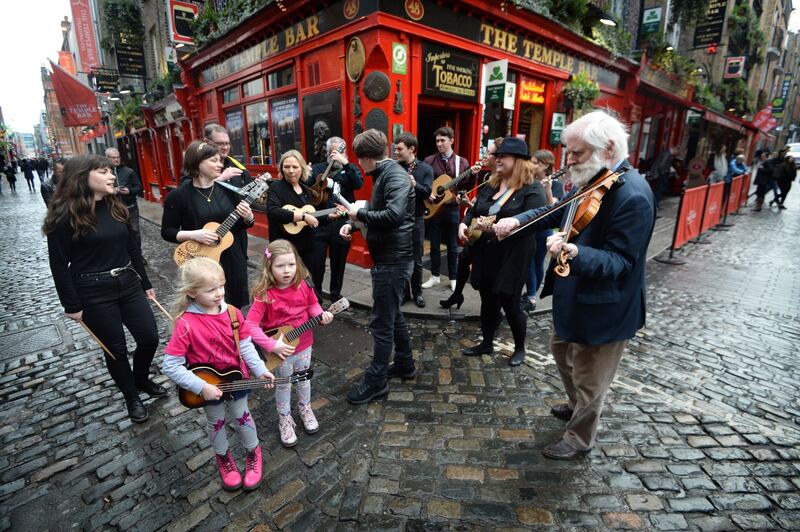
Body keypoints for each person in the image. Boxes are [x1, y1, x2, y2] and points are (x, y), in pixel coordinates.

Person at [494, 110, 656, 460]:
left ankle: (579, 437)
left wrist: (575, 251)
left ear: (608, 148)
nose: (569, 161)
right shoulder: (592, 178)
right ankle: (574, 403)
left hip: (605, 307)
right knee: (561, 349)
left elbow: (621, 262)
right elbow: (556, 213)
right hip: (575, 296)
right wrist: (516, 220)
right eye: (567, 152)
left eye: (576, 153)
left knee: (590, 377)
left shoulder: (633, 196)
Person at [43, 154, 162, 423]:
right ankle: (131, 396)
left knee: (149, 337)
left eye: (111, 171)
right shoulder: (64, 216)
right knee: (115, 350)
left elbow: (133, 248)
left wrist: (146, 283)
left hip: (128, 283)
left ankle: (141, 380)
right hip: (93, 291)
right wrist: (71, 304)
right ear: (83, 176)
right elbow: (59, 264)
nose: (112, 176)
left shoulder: (116, 206)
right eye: (104, 172)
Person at [162, 257, 274, 491]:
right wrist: (200, 387)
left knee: (242, 416)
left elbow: (245, 347)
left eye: (221, 286)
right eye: (210, 289)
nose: (219, 293)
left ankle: (254, 452)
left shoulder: (233, 314)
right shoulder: (186, 324)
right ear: (192, 293)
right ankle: (223, 457)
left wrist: (261, 370)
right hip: (207, 385)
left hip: (237, 379)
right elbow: (171, 365)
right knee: (216, 422)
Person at [339, 129, 416, 403]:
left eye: (359, 159)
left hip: (393, 261)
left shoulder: (392, 174)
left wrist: (358, 213)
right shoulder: (387, 173)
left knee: (382, 323)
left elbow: (393, 215)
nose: (359, 164)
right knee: (393, 316)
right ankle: (405, 364)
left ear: (366, 158)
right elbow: (379, 210)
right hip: (391, 258)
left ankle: (376, 381)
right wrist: (354, 224)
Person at [458, 137, 545, 367]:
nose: (497, 160)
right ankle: (487, 342)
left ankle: (519, 348)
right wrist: (464, 223)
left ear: (518, 161)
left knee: (510, 301)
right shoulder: (491, 183)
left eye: (502, 157)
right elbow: (475, 210)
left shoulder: (532, 189)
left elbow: (532, 223)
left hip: (513, 254)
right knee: (487, 298)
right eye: (497, 156)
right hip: (487, 251)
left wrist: (499, 226)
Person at [246, 239, 333, 447]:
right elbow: (249, 325)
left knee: (304, 379)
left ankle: (305, 408)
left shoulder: (304, 284)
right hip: (280, 351)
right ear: (269, 267)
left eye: (291, 265)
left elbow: (312, 305)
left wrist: (320, 315)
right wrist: (271, 345)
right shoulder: (264, 294)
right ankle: (285, 418)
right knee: (284, 384)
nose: (287, 271)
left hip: (304, 344)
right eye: (280, 266)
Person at [162, 141, 257, 308]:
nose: (220, 165)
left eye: (220, 160)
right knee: (207, 308)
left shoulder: (229, 190)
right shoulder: (179, 196)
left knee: (235, 307)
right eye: (214, 160)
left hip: (232, 257)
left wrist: (248, 218)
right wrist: (193, 234)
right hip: (202, 258)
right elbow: (167, 231)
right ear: (197, 162)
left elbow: (240, 225)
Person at [439, 137, 503, 309]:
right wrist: (465, 217)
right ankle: (457, 295)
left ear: (499, 158)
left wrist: (472, 209)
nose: (485, 156)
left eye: (488, 153)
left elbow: (495, 212)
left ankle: (491, 315)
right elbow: (478, 208)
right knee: (464, 260)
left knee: (485, 283)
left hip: (490, 239)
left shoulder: (505, 185)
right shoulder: (488, 177)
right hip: (476, 233)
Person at [307, 137, 364, 303]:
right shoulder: (318, 169)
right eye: (334, 152)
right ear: (327, 152)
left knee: (338, 262)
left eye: (342, 151)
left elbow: (359, 183)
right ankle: (316, 298)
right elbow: (307, 189)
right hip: (321, 222)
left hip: (342, 223)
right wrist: (306, 173)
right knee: (317, 264)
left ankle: (335, 294)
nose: (338, 155)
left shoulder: (351, 169)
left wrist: (345, 163)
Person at [422, 127, 475, 292]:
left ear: (451, 140)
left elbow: (466, 185)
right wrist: (428, 193)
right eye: (437, 141)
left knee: (453, 245)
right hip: (434, 208)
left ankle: (453, 277)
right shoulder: (429, 160)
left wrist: (472, 175)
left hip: (452, 208)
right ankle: (435, 276)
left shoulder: (462, 162)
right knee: (435, 244)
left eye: (442, 140)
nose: (439, 144)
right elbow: (423, 183)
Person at [394, 132, 434, 308]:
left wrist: (414, 184)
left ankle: (417, 293)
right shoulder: (396, 167)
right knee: (401, 258)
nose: (396, 151)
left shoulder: (425, 169)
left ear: (411, 149)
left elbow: (427, 192)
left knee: (417, 259)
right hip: (399, 220)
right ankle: (404, 292)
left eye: (399, 149)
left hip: (417, 219)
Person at [522, 149, 564, 313]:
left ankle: (531, 297)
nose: (531, 165)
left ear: (545, 165)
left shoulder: (557, 185)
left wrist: (547, 189)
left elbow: (552, 208)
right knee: (530, 262)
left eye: (535, 162)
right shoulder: (529, 180)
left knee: (535, 262)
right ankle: (531, 294)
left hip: (543, 229)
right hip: (530, 225)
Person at [267, 150, 322, 272]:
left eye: (295, 167)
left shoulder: (306, 188)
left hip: (307, 246)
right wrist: (302, 217)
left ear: (302, 168)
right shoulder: (276, 187)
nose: (291, 171)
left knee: (308, 282)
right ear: (281, 169)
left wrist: (330, 217)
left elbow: (312, 216)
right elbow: (273, 211)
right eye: (286, 167)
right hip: (286, 249)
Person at [106, 148, 145, 260]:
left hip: (130, 208)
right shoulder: (104, 173)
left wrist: (129, 191)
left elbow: (139, 187)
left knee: (135, 232)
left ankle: (138, 256)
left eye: (118, 157)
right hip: (113, 209)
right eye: (113, 158)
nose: (116, 159)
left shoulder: (129, 172)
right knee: (118, 233)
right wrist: (112, 191)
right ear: (107, 158)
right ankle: (123, 256)